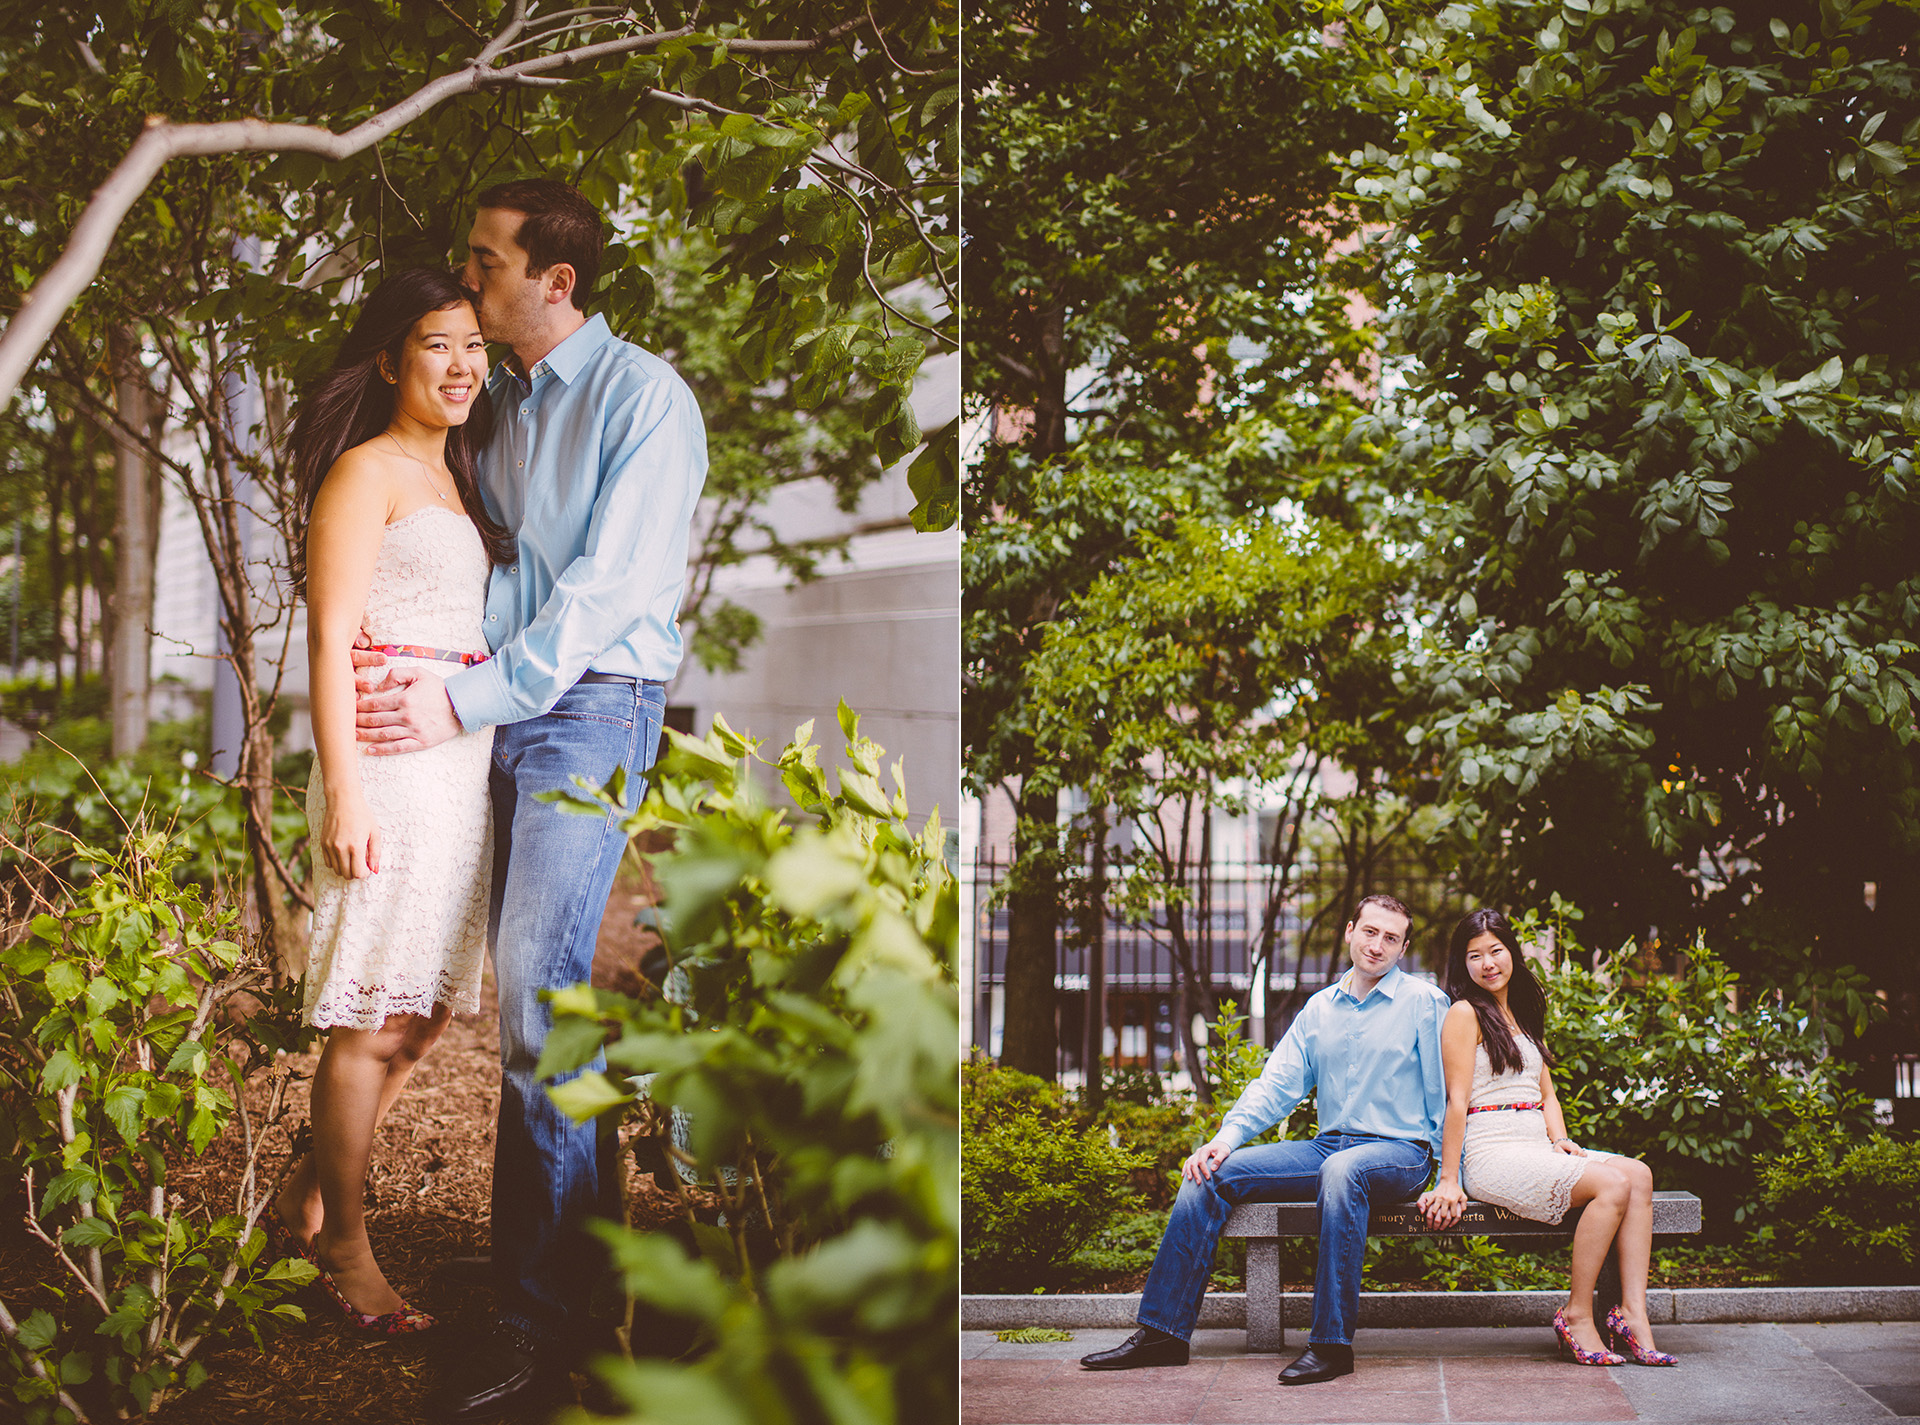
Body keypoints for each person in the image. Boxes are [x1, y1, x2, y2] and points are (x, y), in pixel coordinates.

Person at [349, 178, 707, 1420]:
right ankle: (574, 1283)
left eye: (489, 263)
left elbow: (609, 594)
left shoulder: (646, 401)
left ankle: (541, 1330)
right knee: (528, 1005)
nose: (473, 279)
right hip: (487, 717)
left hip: (589, 712)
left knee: (538, 1013)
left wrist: (465, 701)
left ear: (555, 282)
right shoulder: (487, 401)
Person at [276, 268, 514, 1334]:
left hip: (459, 759)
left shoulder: (465, 474)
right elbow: (330, 639)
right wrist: (344, 792)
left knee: (423, 1016)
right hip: (390, 771)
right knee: (376, 1013)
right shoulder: (363, 475)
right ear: (388, 360)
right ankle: (347, 1250)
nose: (461, 365)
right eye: (435, 345)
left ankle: (303, 1196)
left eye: (473, 345)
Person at [1080, 894, 1448, 1386]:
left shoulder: (1424, 1002)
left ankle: (1331, 1346)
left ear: (1403, 948)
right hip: (1329, 1146)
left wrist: (1450, 1174)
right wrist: (1225, 1139)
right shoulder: (1321, 1008)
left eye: (1390, 938)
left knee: (1343, 1172)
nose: (1377, 945)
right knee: (1209, 1173)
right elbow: (1278, 1083)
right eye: (1369, 931)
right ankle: (1163, 1333)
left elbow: (1445, 1091)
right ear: (1349, 931)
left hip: (1401, 1153)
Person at [1416, 908, 1678, 1367]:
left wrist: (1559, 1139)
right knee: (1611, 1184)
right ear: (1463, 964)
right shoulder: (1463, 1013)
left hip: (1534, 1143)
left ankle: (1632, 1312)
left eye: (1495, 950)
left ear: (1511, 951)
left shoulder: (1520, 1011)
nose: (1487, 963)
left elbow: (1546, 1094)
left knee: (1638, 1174)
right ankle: (1577, 1315)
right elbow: (1456, 1102)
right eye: (1474, 956)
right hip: (1490, 1149)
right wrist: (1449, 1179)